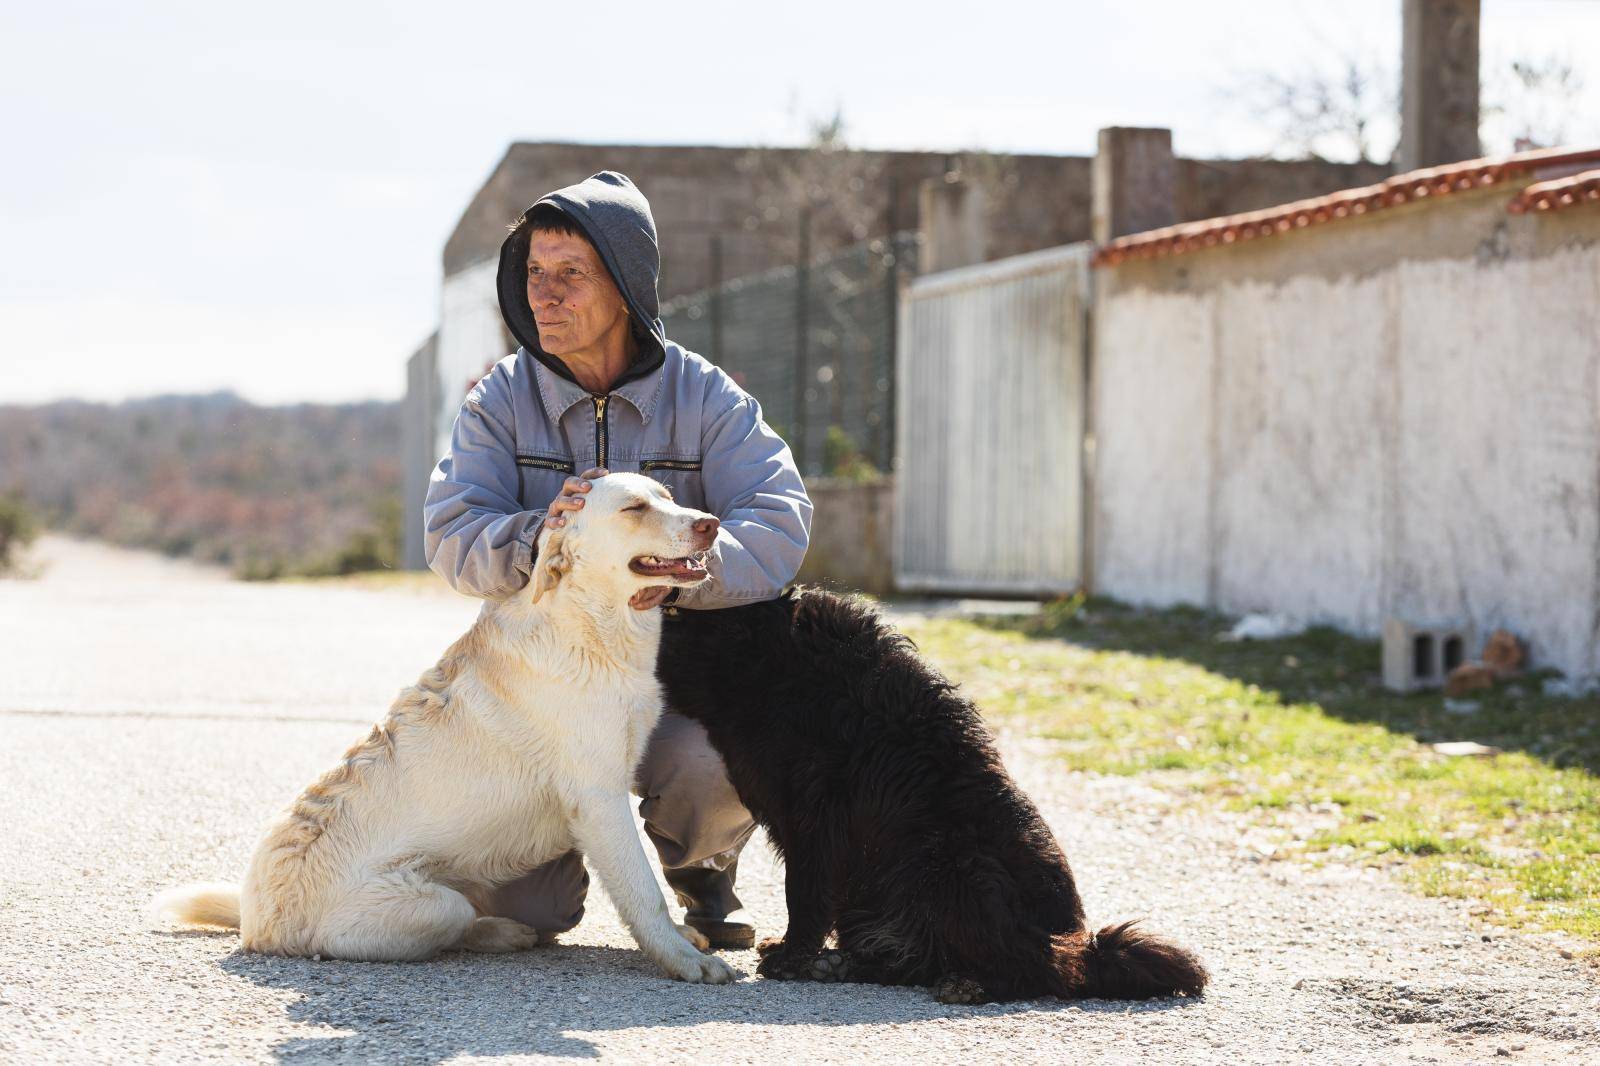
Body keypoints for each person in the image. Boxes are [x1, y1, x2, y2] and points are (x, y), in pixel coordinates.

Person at [423, 171, 812, 948]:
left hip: (675, 671)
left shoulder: (705, 396)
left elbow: (780, 521)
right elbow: (452, 531)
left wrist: (676, 576)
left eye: (571, 274)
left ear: (628, 285)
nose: (544, 295)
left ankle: (702, 869)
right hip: (539, 691)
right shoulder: (498, 398)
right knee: (529, 918)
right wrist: (546, 540)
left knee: (715, 757)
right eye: (534, 272)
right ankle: (553, 852)